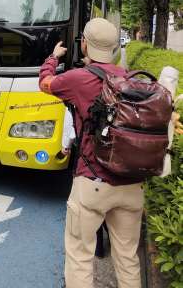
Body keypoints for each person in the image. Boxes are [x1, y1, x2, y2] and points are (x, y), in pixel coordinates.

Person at [39, 18, 143, 288]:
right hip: (132, 184)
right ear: (114, 47)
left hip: (93, 182)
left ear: (84, 43)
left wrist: (53, 57)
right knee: (128, 259)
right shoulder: (130, 79)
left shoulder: (78, 79)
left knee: (79, 256)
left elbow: (45, 82)